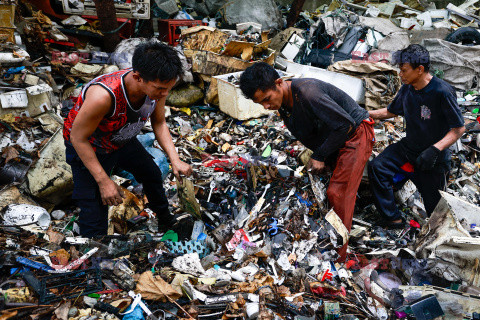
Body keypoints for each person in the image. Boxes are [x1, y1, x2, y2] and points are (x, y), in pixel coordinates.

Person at [239, 62, 375, 261]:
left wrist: (319, 155)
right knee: (321, 187)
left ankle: (338, 256)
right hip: (334, 136)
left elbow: (346, 124)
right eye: (261, 104)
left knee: (338, 192)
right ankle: (332, 231)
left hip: (355, 133)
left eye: (267, 99)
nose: (267, 107)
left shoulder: (307, 93)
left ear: (279, 82)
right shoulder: (285, 102)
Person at [63, 41, 192, 237]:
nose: (164, 94)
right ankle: (93, 256)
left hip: (121, 138)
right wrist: (104, 181)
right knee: (95, 206)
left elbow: (159, 123)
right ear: (137, 77)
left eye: (168, 88)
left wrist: (175, 160)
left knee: (151, 173)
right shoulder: (103, 96)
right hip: (90, 146)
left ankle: (166, 220)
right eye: (160, 89)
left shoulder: (158, 86)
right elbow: (78, 138)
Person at [368, 44, 465, 228]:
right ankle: (393, 219)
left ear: (419, 69)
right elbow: (390, 111)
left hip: (433, 157)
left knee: (435, 213)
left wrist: (435, 149)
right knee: (377, 167)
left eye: (404, 70)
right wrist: (365, 114)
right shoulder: (407, 88)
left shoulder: (442, 92)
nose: (400, 74)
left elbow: (458, 129)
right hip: (408, 148)